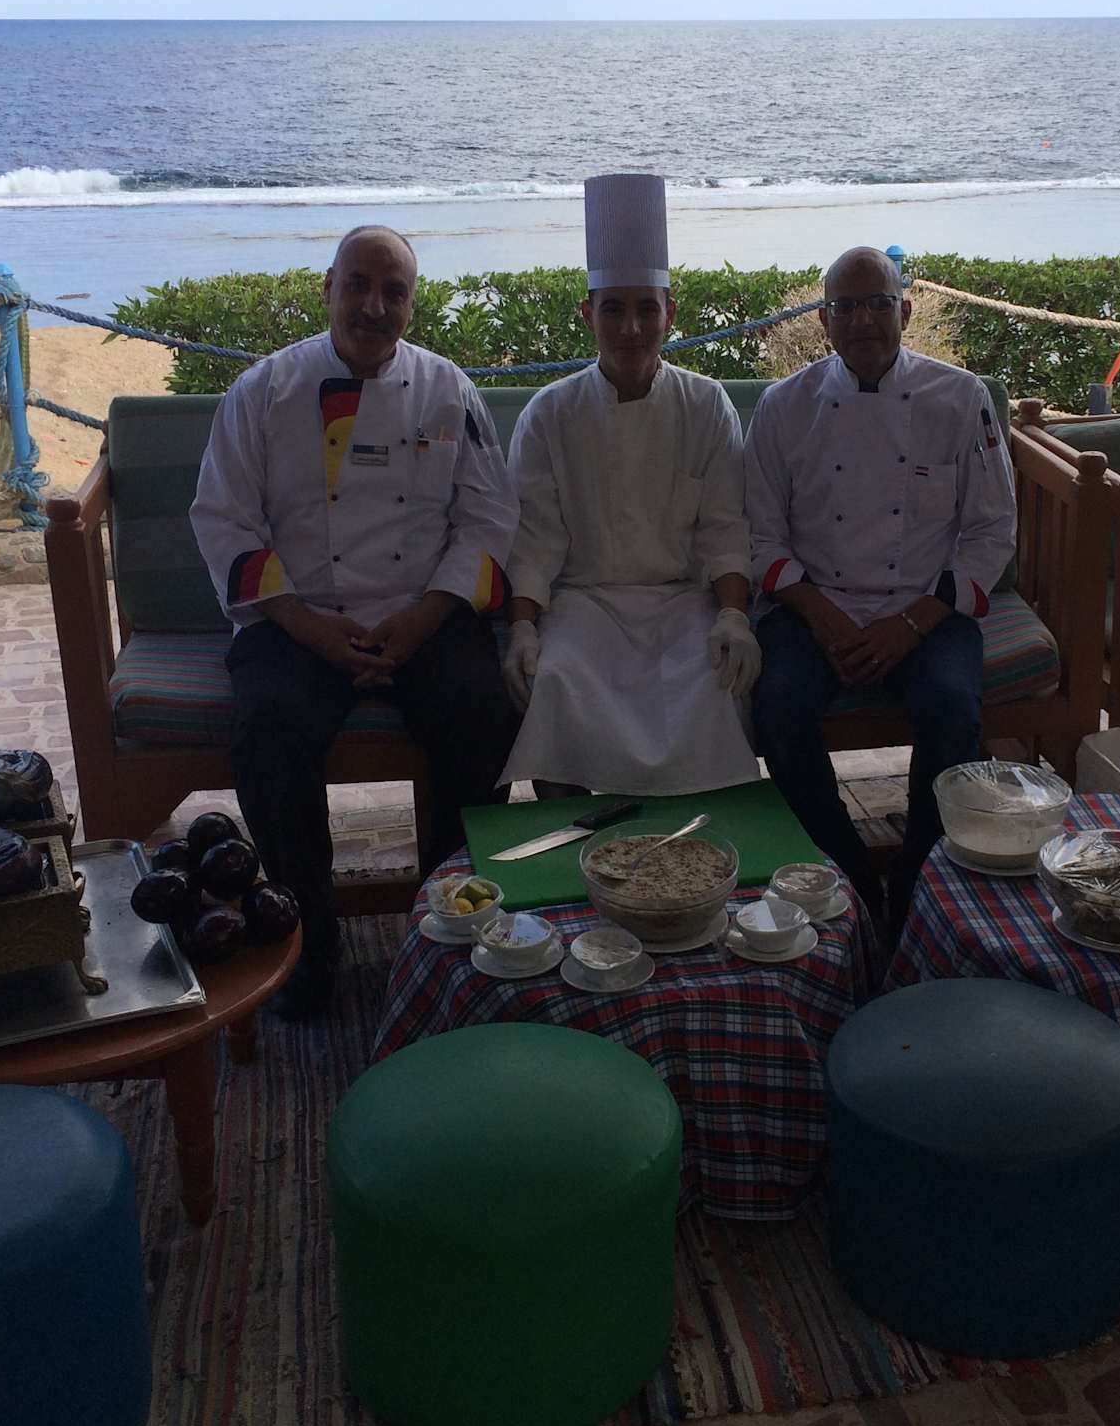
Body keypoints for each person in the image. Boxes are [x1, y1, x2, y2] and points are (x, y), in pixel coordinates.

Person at [191, 224, 521, 1017]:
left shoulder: (449, 391)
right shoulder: (263, 391)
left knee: (483, 713)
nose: (374, 306)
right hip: (298, 616)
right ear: (328, 289)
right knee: (269, 730)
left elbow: (487, 518)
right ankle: (307, 943)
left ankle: (448, 929)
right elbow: (225, 519)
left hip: (423, 611)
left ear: (412, 304)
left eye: (393, 292)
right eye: (359, 286)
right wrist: (308, 627)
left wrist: (425, 617)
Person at [745, 245, 1018, 939]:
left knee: (951, 710)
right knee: (778, 711)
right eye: (845, 306)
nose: (863, 319)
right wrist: (824, 617)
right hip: (812, 606)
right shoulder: (783, 406)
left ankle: (921, 889)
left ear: (906, 310)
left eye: (878, 303)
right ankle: (852, 881)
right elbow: (761, 538)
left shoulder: (961, 398)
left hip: (924, 604)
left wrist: (913, 623)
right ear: (823, 320)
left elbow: (992, 532)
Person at [499, 173, 762, 794]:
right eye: (613, 309)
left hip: (683, 605)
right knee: (555, 681)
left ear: (670, 313)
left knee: (716, 684)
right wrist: (523, 627)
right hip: (582, 605)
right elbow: (534, 541)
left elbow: (724, 528)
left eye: (647, 308)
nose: (631, 328)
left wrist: (733, 616)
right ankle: (573, 841)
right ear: (587, 314)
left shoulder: (707, 405)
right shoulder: (550, 413)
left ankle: (700, 843)